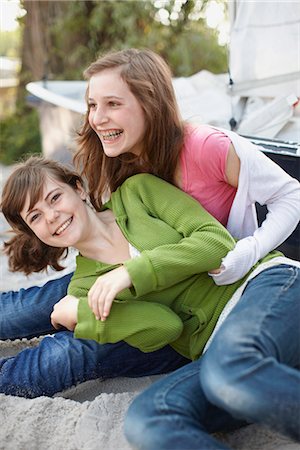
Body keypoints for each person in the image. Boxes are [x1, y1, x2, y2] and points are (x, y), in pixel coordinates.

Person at [0, 48, 299, 394]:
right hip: (161, 293)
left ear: (149, 102)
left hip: (218, 272)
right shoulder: (120, 159)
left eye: (112, 104)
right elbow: (158, 322)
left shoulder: (198, 150)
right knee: (57, 305)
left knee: (72, 339)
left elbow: (280, 203)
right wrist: (87, 306)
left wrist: (251, 249)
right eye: (93, 106)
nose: (97, 119)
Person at [1, 157, 299, 409]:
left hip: (262, 290)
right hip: (215, 339)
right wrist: (83, 313)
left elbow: (217, 244)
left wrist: (131, 273)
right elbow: (166, 327)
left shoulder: (137, 193)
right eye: (36, 216)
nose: (52, 217)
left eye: (55, 198)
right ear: (32, 230)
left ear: (77, 188)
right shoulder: (83, 288)